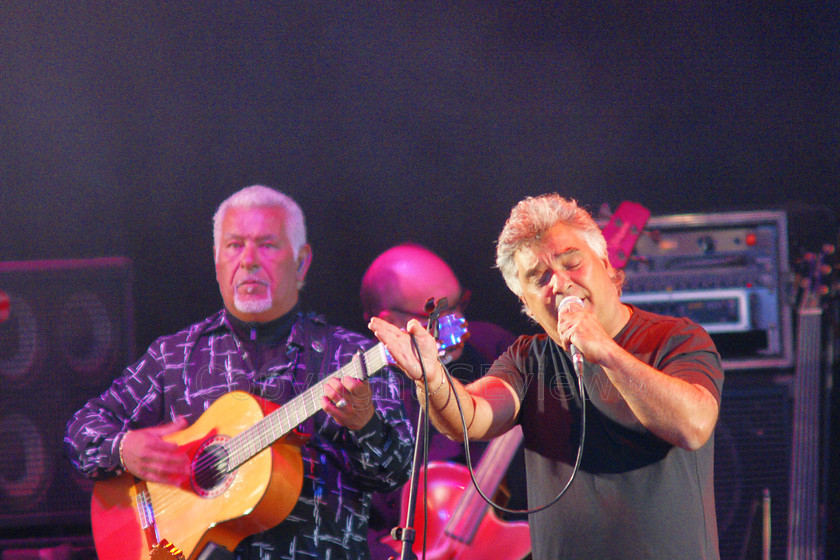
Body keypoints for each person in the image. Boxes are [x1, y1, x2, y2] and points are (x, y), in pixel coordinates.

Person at [65, 185, 414, 560]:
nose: (248, 260)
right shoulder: (174, 356)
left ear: (301, 262)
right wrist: (123, 448)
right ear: (217, 260)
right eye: (234, 246)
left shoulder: (351, 356)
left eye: (267, 245)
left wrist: (365, 424)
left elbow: (393, 476)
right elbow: (80, 429)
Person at [369, 194, 723, 560]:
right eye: (539, 278)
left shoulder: (676, 337)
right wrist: (431, 379)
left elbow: (693, 424)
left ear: (604, 261)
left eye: (572, 262)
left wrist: (605, 351)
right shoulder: (527, 358)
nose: (560, 283)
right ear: (526, 301)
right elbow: (470, 416)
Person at [359, 243, 526, 558]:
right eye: (437, 314)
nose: (459, 326)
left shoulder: (494, 346)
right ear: (391, 322)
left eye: (460, 305)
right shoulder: (362, 397)